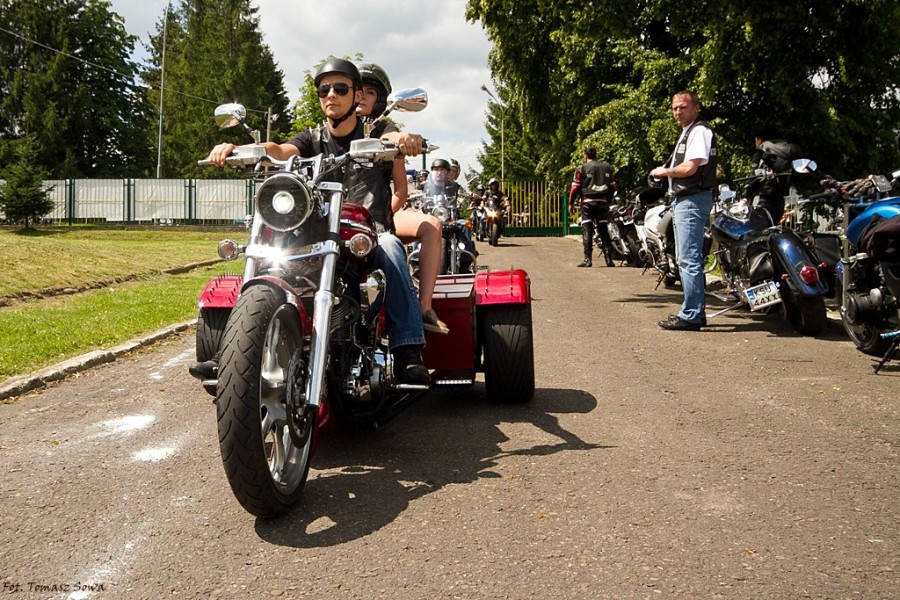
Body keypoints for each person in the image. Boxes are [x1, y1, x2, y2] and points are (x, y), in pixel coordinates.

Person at [195, 58, 431, 384]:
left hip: (369, 232)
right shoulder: (312, 138)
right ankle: (235, 352)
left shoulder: (377, 131)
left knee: (392, 247)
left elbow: (392, 141)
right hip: (318, 229)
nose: (331, 94)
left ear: (355, 95)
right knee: (271, 252)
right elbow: (279, 149)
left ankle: (408, 352)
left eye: (340, 88)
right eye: (324, 89)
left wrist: (404, 141)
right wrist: (239, 148)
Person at [355, 62, 448, 335]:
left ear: (380, 99)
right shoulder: (329, 131)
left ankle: (424, 307)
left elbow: (400, 192)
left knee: (432, 225)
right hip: (334, 216)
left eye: (369, 93)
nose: (361, 97)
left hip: (378, 216)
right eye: (356, 91)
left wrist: (402, 139)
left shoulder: (384, 129)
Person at [650, 90, 717, 331]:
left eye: (683, 107)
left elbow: (690, 168)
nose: (678, 111)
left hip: (691, 200)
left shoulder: (699, 131)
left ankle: (691, 315)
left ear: (696, 108)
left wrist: (664, 171)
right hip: (685, 200)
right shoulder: (688, 133)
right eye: (675, 108)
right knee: (686, 258)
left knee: (688, 260)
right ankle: (695, 312)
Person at [568, 147, 615, 267]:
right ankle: (609, 259)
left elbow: (575, 187)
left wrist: (571, 203)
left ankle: (587, 259)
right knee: (603, 229)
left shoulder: (581, 168)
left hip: (587, 202)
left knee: (587, 229)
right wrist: (607, 201)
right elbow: (613, 186)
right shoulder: (607, 167)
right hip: (602, 202)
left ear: (585, 155)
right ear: (596, 155)